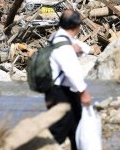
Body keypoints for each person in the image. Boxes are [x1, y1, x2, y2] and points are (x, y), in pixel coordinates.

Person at [45, 9, 92, 150]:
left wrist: (79, 48)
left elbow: (85, 48)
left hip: (64, 91)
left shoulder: (58, 37)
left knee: (76, 126)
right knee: (59, 129)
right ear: (76, 26)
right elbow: (71, 71)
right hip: (60, 93)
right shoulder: (64, 45)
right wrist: (83, 92)